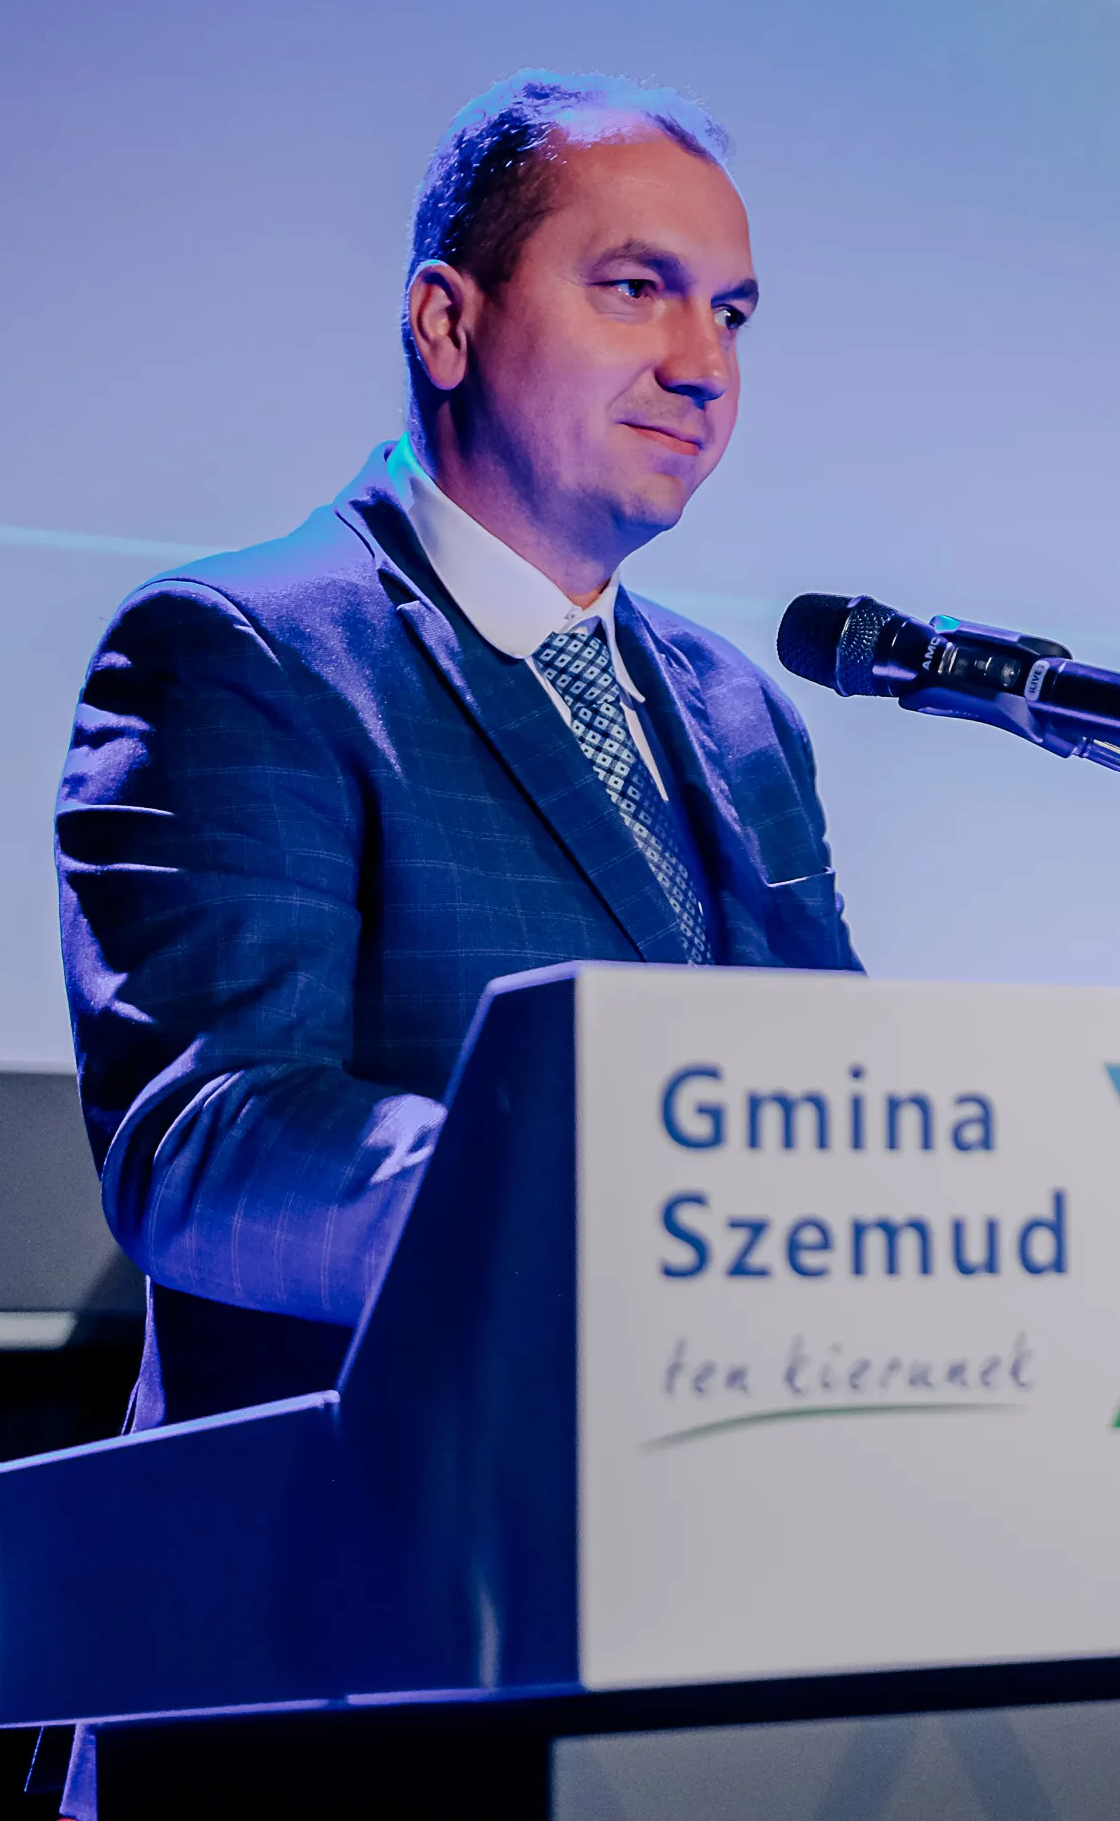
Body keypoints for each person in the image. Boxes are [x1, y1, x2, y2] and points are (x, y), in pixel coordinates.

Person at [54, 70, 861, 1437]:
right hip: (380, 1506)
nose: (703, 366)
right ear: (446, 321)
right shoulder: (246, 650)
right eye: (636, 289)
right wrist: (634, 1209)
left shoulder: (742, 713)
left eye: (729, 314)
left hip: (734, 1478)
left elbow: (836, 1102)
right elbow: (205, 1148)